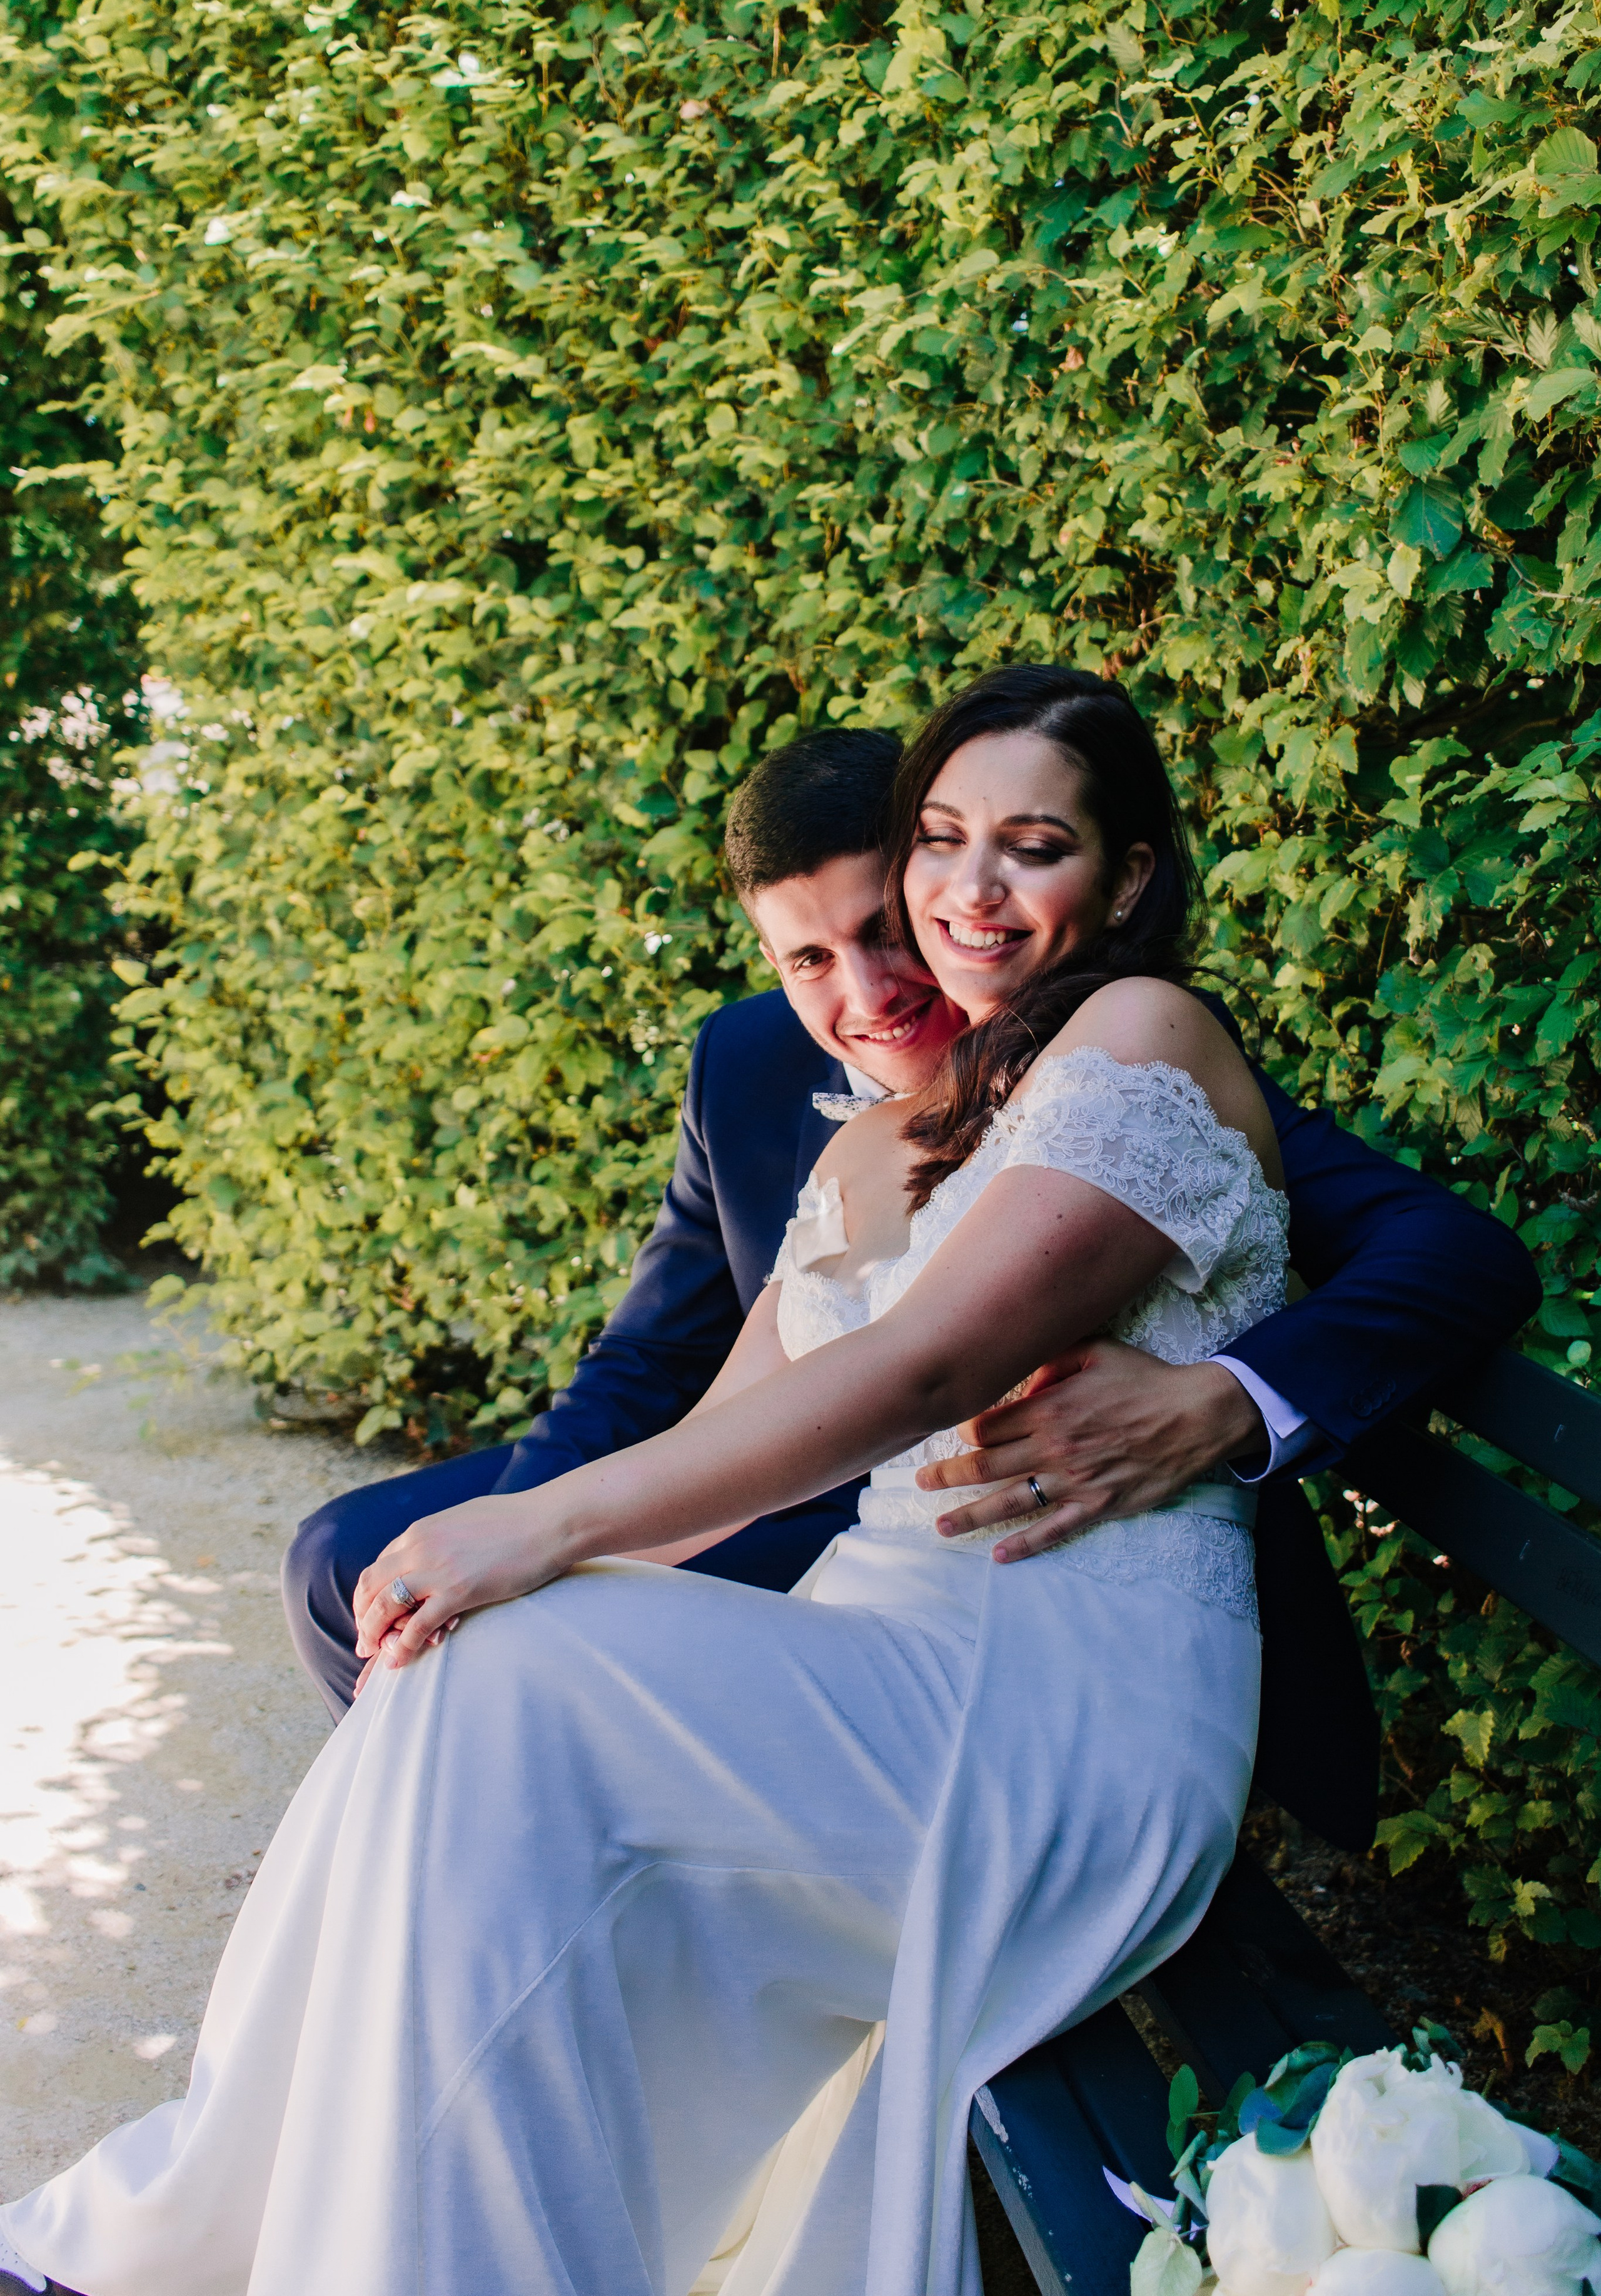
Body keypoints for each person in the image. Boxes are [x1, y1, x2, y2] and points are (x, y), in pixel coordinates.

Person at [0, 673, 1532, 2296]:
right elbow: (704, 1425)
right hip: (881, 1651)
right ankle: (212, 2239)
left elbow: (934, 1367)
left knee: (518, 1697)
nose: (959, 899)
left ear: (1130, 877)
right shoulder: (877, 1138)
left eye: (1031, 846)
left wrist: (1231, 1401)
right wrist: (533, 1567)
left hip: (1066, 1701)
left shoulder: (1146, 1039)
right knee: (460, 1688)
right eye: (944, 841)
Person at [283, 701, 1538, 1851]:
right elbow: (652, 1358)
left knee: (515, 1691)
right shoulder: (748, 1067)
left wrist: (1219, 1401)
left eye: (886, 931)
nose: (870, 994)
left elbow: (1450, 1255)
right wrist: (520, 1531)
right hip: (788, 1515)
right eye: (808, 962)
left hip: (1022, 1587)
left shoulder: (1122, 1064)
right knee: (360, 1564)